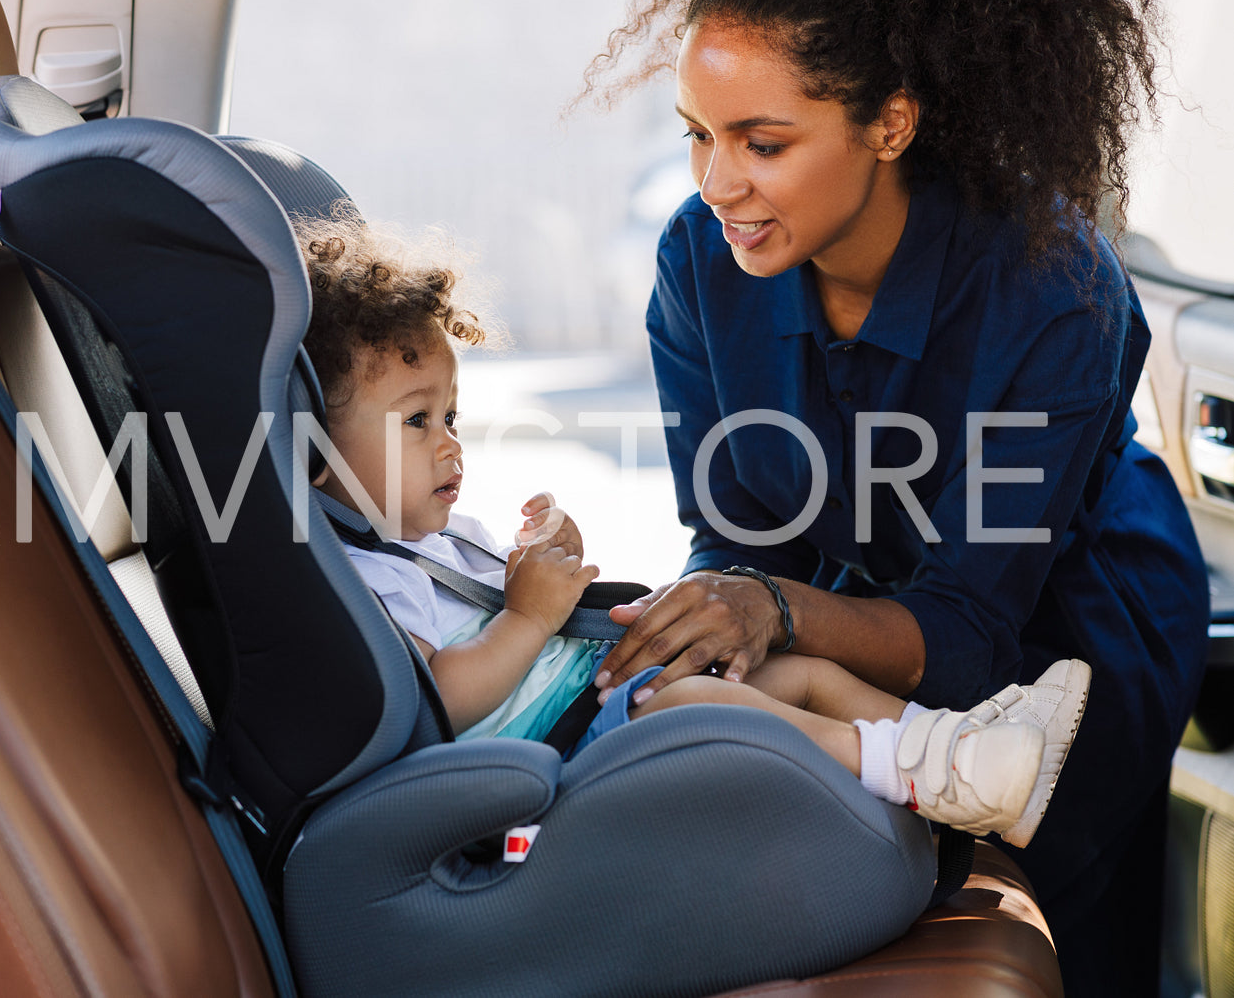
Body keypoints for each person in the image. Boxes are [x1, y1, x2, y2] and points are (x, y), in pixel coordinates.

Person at [581, 0, 1208, 993]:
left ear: (889, 125)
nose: (714, 183)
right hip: (856, 600)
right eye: (696, 136)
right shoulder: (699, 263)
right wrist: (710, 625)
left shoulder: (1053, 290)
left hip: (1070, 633)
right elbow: (736, 536)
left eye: (761, 142)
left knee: (1068, 936)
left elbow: (965, 627)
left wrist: (772, 611)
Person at [297, 213, 1091, 846]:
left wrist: (543, 564)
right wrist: (527, 614)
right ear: (314, 451)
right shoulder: (354, 580)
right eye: (417, 422)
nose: (450, 443)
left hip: (584, 704)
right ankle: (924, 773)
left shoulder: (427, 541)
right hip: (549, 754)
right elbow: (437, 700)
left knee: (798, 671)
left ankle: (957, 754)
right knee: (702, 704)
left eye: (452, 416)